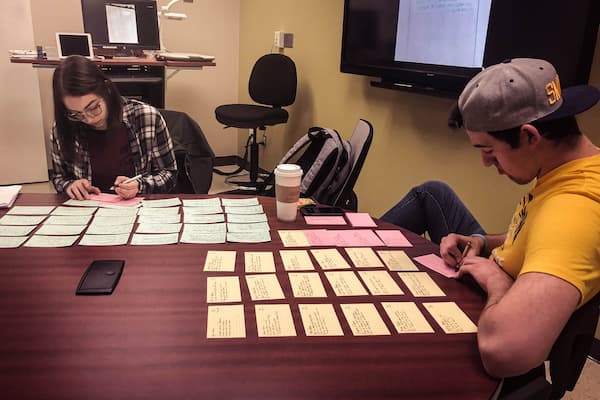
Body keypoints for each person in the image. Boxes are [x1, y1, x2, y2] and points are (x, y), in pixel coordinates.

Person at [384, 59, 600, 383]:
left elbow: (504, 351)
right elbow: (531, 233)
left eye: (489, 150)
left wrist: (495, 281)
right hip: (496, 268)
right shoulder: (574, 165)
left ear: (529, 135)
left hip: (495, 323)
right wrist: (484, 243)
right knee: (433, 192)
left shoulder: (573, 212)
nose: (487, 163)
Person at [50, 55, 177, 200]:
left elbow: (169, 175)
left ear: (107, 89)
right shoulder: (63, 126)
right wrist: (70, 186)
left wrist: (139, 185)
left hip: (139, 210)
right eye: (76, 114)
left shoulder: (146, 117)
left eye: (93, 108)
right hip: (88, 211)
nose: (89, 119)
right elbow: (59, 177)